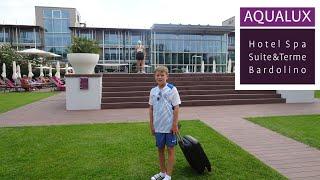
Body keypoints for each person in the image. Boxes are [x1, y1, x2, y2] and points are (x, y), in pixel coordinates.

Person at [149, 66, 181, 180]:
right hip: (158, 126)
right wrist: (151, 125)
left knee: (170, 149)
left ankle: (168, 176)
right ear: (155, 77)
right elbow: (151, 109)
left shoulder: (172, 89)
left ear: (167, 76)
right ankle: (162, 172)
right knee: (160, 149)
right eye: (157, 75)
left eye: (162, 75)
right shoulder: (153, 91)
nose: (160, 77)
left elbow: (176, 108)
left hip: (169, 127)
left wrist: (174, 124)